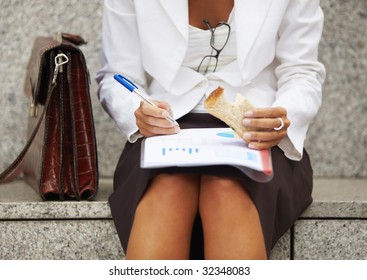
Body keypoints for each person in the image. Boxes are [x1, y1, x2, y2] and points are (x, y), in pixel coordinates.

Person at [96, 0, 326, 260]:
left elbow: (302, 71)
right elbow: (116, 75)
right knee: (169, 187)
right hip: (167, 127)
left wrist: (284, 116)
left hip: (258, 128)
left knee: (226, 188)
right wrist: (137, 111)